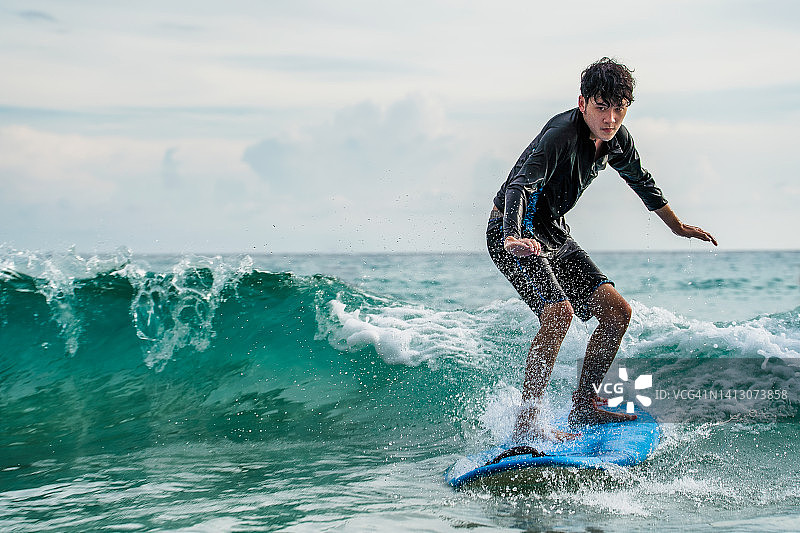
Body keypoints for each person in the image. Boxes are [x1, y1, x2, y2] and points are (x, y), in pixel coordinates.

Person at [487, 57, 717, 441]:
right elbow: (520, 187)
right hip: (510, 230)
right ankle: (526, 424)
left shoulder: (616, 140)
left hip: (553, 234)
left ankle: (584, 408)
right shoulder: (561, 134)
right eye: (601, 107)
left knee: (617, 312)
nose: (610, 118)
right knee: (558, 314)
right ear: (582, 104)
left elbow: (642, 181)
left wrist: (677, 227)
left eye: (619, 108)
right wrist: (512, 236)